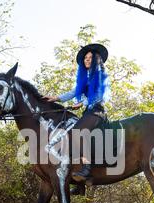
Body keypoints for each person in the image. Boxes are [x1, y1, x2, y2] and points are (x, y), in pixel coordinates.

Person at [43, 43, 111, 183]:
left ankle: (86, 168)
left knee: (77, 132)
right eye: (85, 58)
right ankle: (80, 183)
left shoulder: (100, 76)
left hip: (98, 112)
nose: (87, 59)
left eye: (90, 57)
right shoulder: (85, 78)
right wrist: (56, 98)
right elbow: (74, 92)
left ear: (96, 59)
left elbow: (99, 96)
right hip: (88, 113)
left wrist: (82, 103)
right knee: (70, 136)